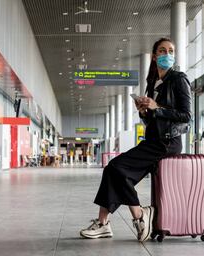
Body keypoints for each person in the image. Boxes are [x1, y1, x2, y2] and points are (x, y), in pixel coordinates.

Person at [80, 37, 192, 242]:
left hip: (167, 142)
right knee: (113, 170)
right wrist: (143, 111)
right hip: (153, 140)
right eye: (162, 51)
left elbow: (186, 116)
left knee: (116, 168)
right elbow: (151, 120)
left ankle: (140, 215)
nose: (167, 55)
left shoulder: (178, 79)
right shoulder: (153, 82)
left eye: (171, 51)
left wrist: (157, 108)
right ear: (154, 56)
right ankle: (103, 223)